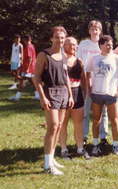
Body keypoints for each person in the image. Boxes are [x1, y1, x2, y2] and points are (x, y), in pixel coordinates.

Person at [33, 26, 74, 175]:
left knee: (59, 126)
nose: (60, 40)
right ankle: (46, 166)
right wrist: (42, 97)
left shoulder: (63, 55)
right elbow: (36, 77)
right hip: (50, 92)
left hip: (63, 92)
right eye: (57, 37)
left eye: (62, 38)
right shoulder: (44, 55)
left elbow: (66, 78)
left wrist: (70, 95)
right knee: (53, 126)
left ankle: (51, 159)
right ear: (52, 38)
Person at [86, 35, 118, 156]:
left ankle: (115, 145)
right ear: (101, 45)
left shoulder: (116, 58)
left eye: (111, 44)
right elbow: (88, 73)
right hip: (97, 94)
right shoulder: (94, 58)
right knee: (96, 120)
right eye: (107, 44)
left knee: (114, 120)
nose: (110, 46)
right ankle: (95, 145)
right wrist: (89, 88)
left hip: (111, 94)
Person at [77, 20, 108, 146]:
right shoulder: (83, 44)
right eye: (92, 29)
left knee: (103, 112)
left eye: (97, 29)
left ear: (100, 31)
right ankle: (84, 136)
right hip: (85, 81)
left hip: (101, 82)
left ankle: (103, 136)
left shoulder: (104, 44)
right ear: (89, 30)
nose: (95, 31)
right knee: (85, 110)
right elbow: (78, 62)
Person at [59, 37, 90, 160]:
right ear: (64, 46)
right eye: (70, 44)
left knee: (78, 124)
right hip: (63, 94)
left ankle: (80, 148)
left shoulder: (79, 61)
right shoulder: (60, 61)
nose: (73, 47)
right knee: (63, 124)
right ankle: (63, 149)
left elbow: (83, 79)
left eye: (75, 45)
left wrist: (86, 93)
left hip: (77, 94)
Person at [9, 35, 39, 101]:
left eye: (24, 40)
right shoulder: (32, 46)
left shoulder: (28, 47)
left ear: (25, 40)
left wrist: (27, 69)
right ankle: (37, 95)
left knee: (22, 81)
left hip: (27, 68)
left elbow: (29, 58)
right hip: (32, 67)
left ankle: (17, 97)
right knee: (32, 82)